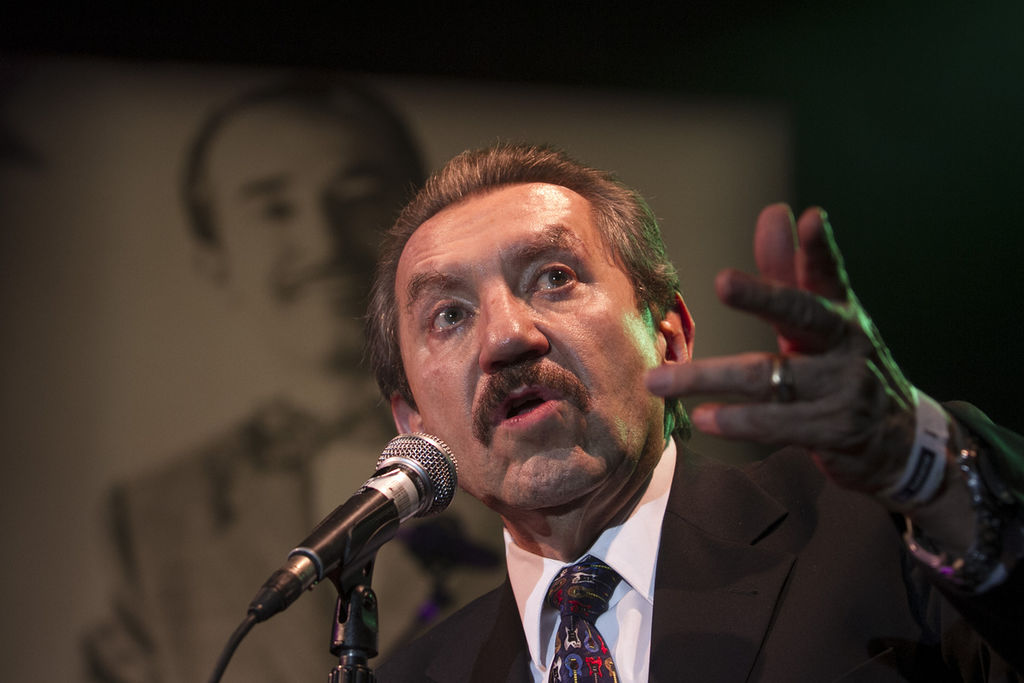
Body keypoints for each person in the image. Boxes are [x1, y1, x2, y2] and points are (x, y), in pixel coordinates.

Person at [366, 143, 1024, 681]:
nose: (507, 336)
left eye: (553, 277)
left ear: (669, 337)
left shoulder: (880, 532)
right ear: (414, 422)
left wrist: (927, 468)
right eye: (448, 315)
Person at [82, 78, 504, 683]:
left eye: (357, 198)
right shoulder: (154, 520)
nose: (322, 243)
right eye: (274, 209)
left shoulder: (533, 456)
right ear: (213, 256)